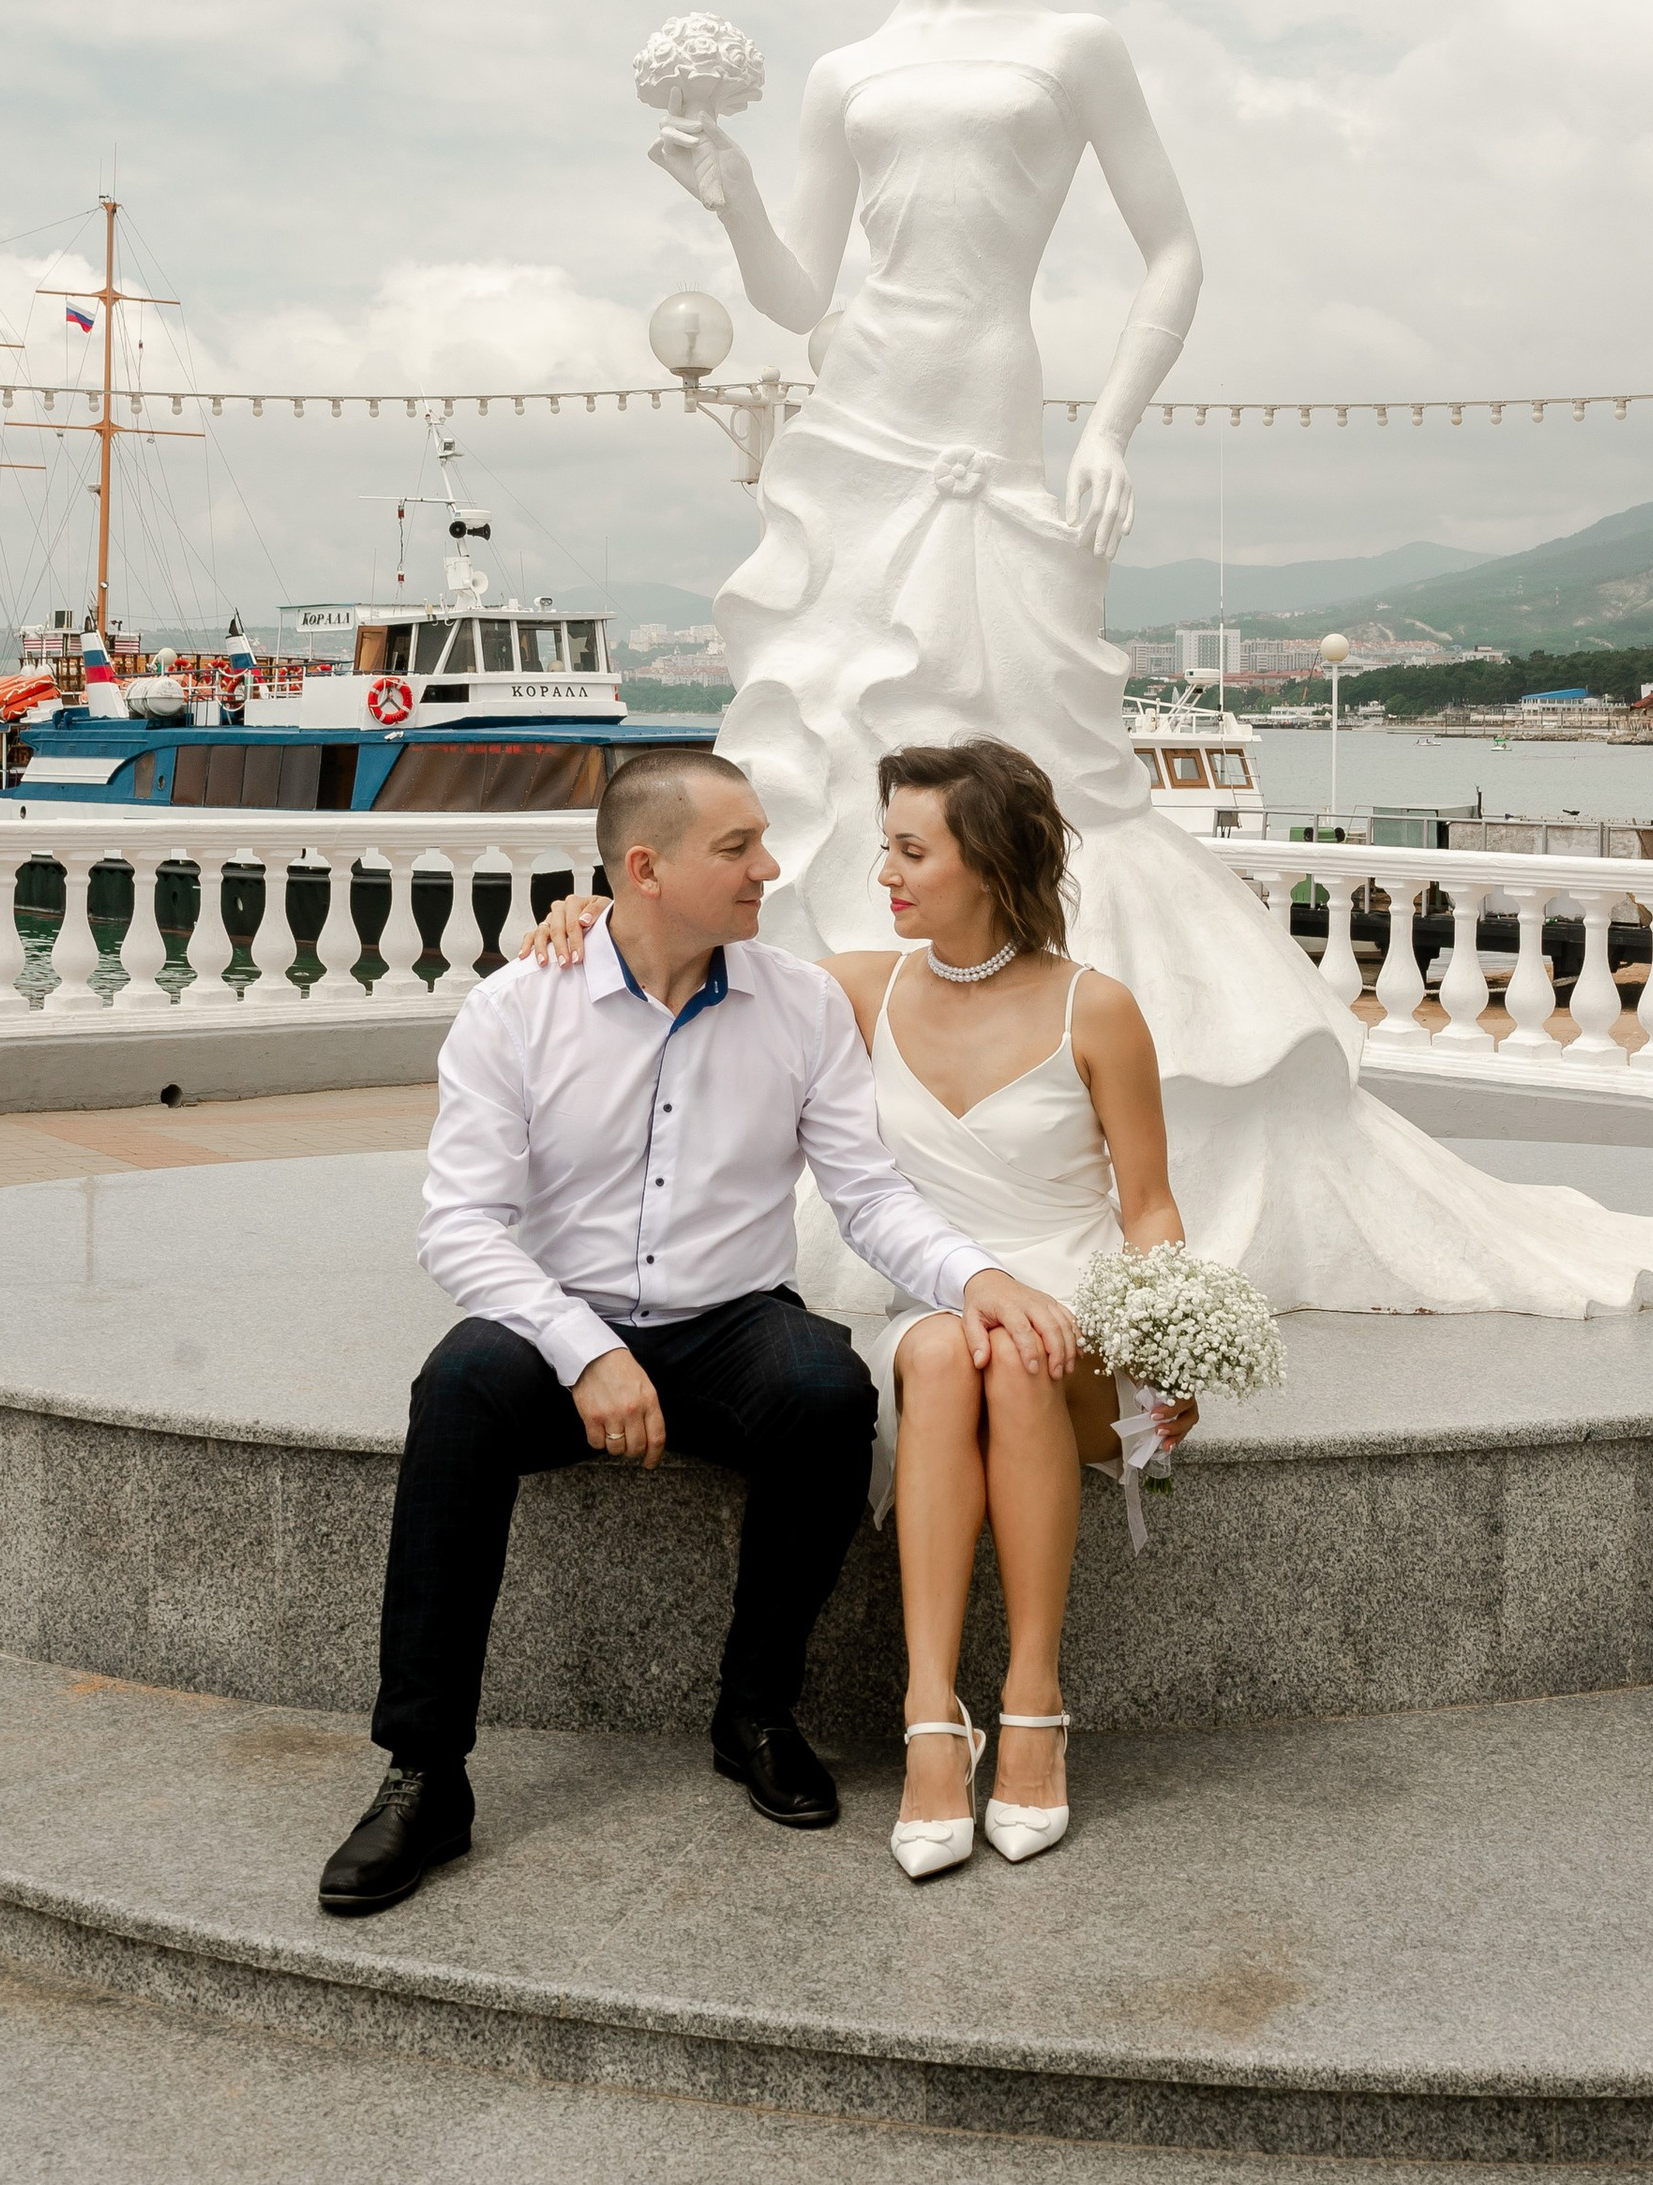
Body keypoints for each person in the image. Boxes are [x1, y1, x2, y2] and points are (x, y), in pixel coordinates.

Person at [641, 0, 1653, 1319]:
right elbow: (807, 299)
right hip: (855, 428)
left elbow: (1173, 250)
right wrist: (729, 199)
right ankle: (834, 1131)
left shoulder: (1071, 45)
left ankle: (1069, 1119)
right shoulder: (844, 72)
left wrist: (1111, 427)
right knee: (834, 757)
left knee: (1041, 768)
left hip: (993, 436)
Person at [317, 742, 1082, 1920]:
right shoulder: (518, 1007)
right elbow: (460, 1229)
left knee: (826, 1395)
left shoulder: (800, 1004)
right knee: (455, 1392)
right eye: (738, 848)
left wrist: (977, 1279)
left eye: (762, 842)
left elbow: (867, 1195)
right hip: (558, 1320)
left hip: (730, 1320)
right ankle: (428, 1773)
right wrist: (586, 1350)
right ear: (645, 868)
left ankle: (754, 1711)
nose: (769, 869)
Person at [519, 735, 1194, 1884]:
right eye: (885, 845)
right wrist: (583, 914)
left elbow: (1150, 1206)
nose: (884, 871)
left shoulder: (1099, 1009)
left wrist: (1172, 1344)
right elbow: (685, 950)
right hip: (934, 1306)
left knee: (1013, 1351)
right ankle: (933, 1712)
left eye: (911, 850)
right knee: (946, 1351)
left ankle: (1032, 1694)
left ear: (986, 862)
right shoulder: (853, 989)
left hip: (1071, 1325)